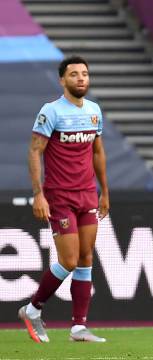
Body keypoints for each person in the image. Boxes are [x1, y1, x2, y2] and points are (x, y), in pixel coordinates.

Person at [18, 55, 109, 343]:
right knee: (68, 260)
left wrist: (104, 190)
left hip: (87, 193)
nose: (81, 78)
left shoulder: (94, 111)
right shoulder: (51, 112)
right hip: (59, 195)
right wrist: (38, 194)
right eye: (74, 74)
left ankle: (78, 327)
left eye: (84, 74)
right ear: (62, 80)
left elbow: (97, 152)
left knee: (85, 258)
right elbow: (35, 151)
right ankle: (33, 308)